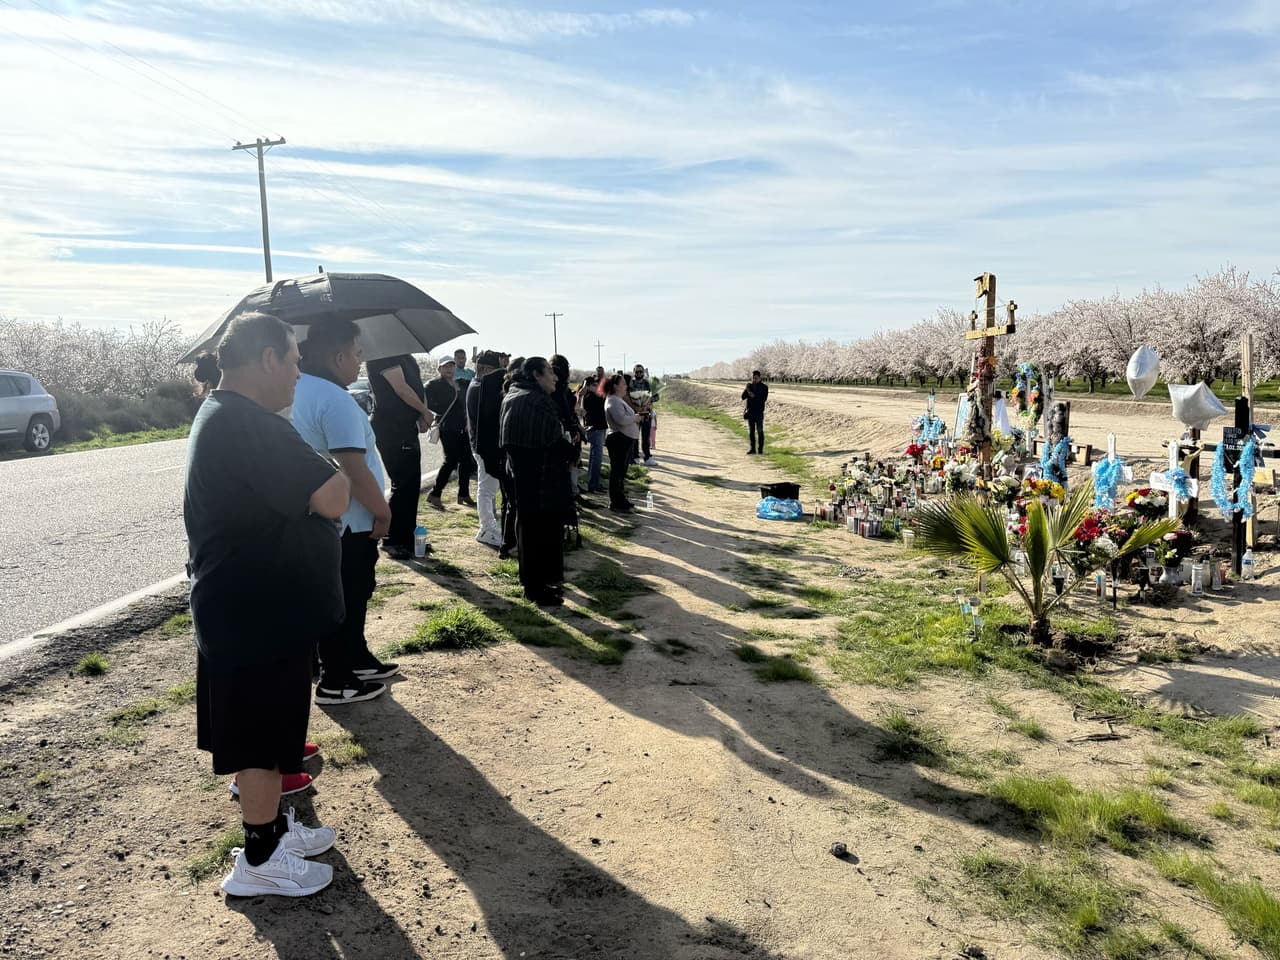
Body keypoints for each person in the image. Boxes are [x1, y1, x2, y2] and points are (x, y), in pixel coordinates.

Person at [184, 312, 349, 899]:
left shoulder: (229, 415)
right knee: (258, 735)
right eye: (296, 362)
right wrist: (325, 475)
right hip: (252, 610)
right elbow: (332, 495)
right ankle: (259, 859)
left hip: (253, 605)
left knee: (275, 726)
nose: (299, 375)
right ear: (267, 359)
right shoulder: (246, 423)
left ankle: (274, 831)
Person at [292, 317, 397, 705]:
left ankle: (354, 658)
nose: (358, 362)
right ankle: (338, 678)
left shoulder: (298, 390)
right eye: (356, 354)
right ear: (337, 356)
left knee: (346, 593)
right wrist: (383, 512)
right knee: (349, 595)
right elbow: (353, 467)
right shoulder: (334, 399)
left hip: (323, 518)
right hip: (350, 518)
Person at [500, 357, 574, 605]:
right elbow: (554, 438)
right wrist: (570, 449)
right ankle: (535, 588)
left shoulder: (515, 394)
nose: (555, 377)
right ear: (535, 375)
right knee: (536, 531)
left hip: (525, 476)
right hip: (537, 477)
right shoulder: (533, 400)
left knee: (530, 528)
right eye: (550, 373)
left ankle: (537, 583)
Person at [367, 354, 433, 558]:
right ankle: (391, 539)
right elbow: (401, 388)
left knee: (412, 485)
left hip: (406, 427)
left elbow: (417, 387)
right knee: (402, 483)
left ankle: (407, 537)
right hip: (391, 427)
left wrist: (423, 412)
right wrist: (423, 410)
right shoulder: (383, 356)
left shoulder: (407, 357)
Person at [467, 349, 505, 549]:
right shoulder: (479, 387)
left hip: (483, 444)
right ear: (483, 368)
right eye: (495, 370)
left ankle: (490, 525)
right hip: (483, 445)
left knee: (489, 488)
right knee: (487, 489)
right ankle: (486, 529)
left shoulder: (479, 385)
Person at [425, 357, 475, 510]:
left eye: (451, 366)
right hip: (447, 427)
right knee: (451, 460)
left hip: (463, 427)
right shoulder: (433, 385)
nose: (449, 369)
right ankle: (435, 493)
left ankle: (463, 493)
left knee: (467, 460)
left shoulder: (461, 382)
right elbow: (427, 402)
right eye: (445, 366)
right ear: (439, 369)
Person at [602, 373, 647, 513]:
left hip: (624, 439)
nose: (626, 386)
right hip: (618, 439)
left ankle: (621, 499)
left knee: (621, 472)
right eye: (623, 384)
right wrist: (635, 418)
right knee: (617, 472)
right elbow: (621, 419)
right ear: (616, 386)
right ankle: (616, 502)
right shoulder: (613, 400)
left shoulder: (618, 399)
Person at [550, 354, 586, 506]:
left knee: (571, 467)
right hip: (562, 432)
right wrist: (574, 427)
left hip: (567, 429)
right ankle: (569, 498)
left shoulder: (561, 388)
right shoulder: (558, 389)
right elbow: (564, 412)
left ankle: (572, 494)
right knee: (566, 468)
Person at [580, 374, 607, 494]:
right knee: (596, 458)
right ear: (589, 386)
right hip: (595, 429)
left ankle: (593, 482)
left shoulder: (591, 396)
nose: (597, 387)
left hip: (597, 428)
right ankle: (593, 484)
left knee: (594, 457)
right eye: (594, 385)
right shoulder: (591, 397)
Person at [631, 364, 656, 466]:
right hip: (634, 414)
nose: (639, 374)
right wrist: (636, 406)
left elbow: (656, 396)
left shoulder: (648, 383)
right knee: (634, 437)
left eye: (641, 372)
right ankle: (635, 457)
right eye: (637, 372)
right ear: (634, 372)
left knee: (646, 437)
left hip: (646, 414)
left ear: (643, 372)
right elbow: (627, 397)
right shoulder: (630, 384)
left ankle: (647, 457)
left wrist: (649, 402)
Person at [742, 370, 769, 454]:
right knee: (751, 431)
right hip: (750, 412)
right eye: (753, 378)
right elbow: (742, 397)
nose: (754, 379)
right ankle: (752, 449)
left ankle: (760, 449)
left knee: (760, 430)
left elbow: (763, 399)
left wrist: (753, 395)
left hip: (759, 412)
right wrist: (747, 389)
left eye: (756, 378)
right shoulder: (749, 386)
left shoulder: (764, 387)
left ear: (760, 378)